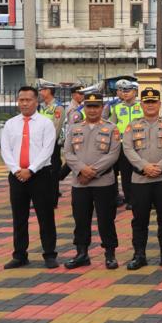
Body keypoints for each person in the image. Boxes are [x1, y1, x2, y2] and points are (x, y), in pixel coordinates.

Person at [123, 87, 162, 270]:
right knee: (139, 220)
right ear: (141, 104)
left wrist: (161, 166)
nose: (150, 105)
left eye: (153, 102)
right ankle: (139, 255)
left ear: (159, 104)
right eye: (147, 102)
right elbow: (128, 149)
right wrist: (144, 166)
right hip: (140, 180)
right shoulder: (132, 126)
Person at [0, 86, 58, 269]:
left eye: (28, 100)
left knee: (45, 216)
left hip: (40, 175)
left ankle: (49, 254)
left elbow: (47, 149)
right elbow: (5, 149)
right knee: (19, 217)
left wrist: (31, 170)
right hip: (17, 175)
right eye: (21, 100)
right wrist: (16, 169)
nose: (24, 103)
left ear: (36, 101)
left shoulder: (45, 123)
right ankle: (19, 255)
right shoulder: (11, 124)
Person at [63, 92, 121, 269]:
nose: (93, 110)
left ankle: (110, 254)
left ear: (102, 108)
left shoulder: (111, 128)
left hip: (103, 182)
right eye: (89, 106)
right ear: (84, 108)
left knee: (106, 219)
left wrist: (91, 172)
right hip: (79, 182)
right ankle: (82, 253)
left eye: (96, 106)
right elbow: (68, 153)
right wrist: (82, 170)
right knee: (81, 219)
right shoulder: (74, 128)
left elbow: (113, 154)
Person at [108, 80, 143, 208]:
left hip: (139, 144)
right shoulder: (117, 107)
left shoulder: (142, 106)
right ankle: (129, 200)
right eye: (123, 91)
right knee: (125, 173)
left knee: (140, 171)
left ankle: (143, 198)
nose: (125, 93)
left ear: (135, 92)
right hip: (123, 145)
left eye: (128, 91)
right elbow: (112, 126)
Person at [37, 85, 65, 202]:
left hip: (51, 144)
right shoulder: (41, 106)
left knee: (53, 171)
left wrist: (48, 143)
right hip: (40, 144)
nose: (40, 92)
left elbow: (56, 128)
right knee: (41, 170)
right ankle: (43, 197)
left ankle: (53, 199)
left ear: (48, 91)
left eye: (42, 90)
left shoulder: (57, 107)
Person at [60, 85, 86, 181]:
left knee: (75, 159)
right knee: (74, 159)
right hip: (75, 137)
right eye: (80, 93)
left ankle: (59, 176)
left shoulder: (79, 106)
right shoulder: (73, 108)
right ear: (74, 95)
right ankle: (59, 176)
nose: (83, 95)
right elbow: (74, 125)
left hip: (78, 137)